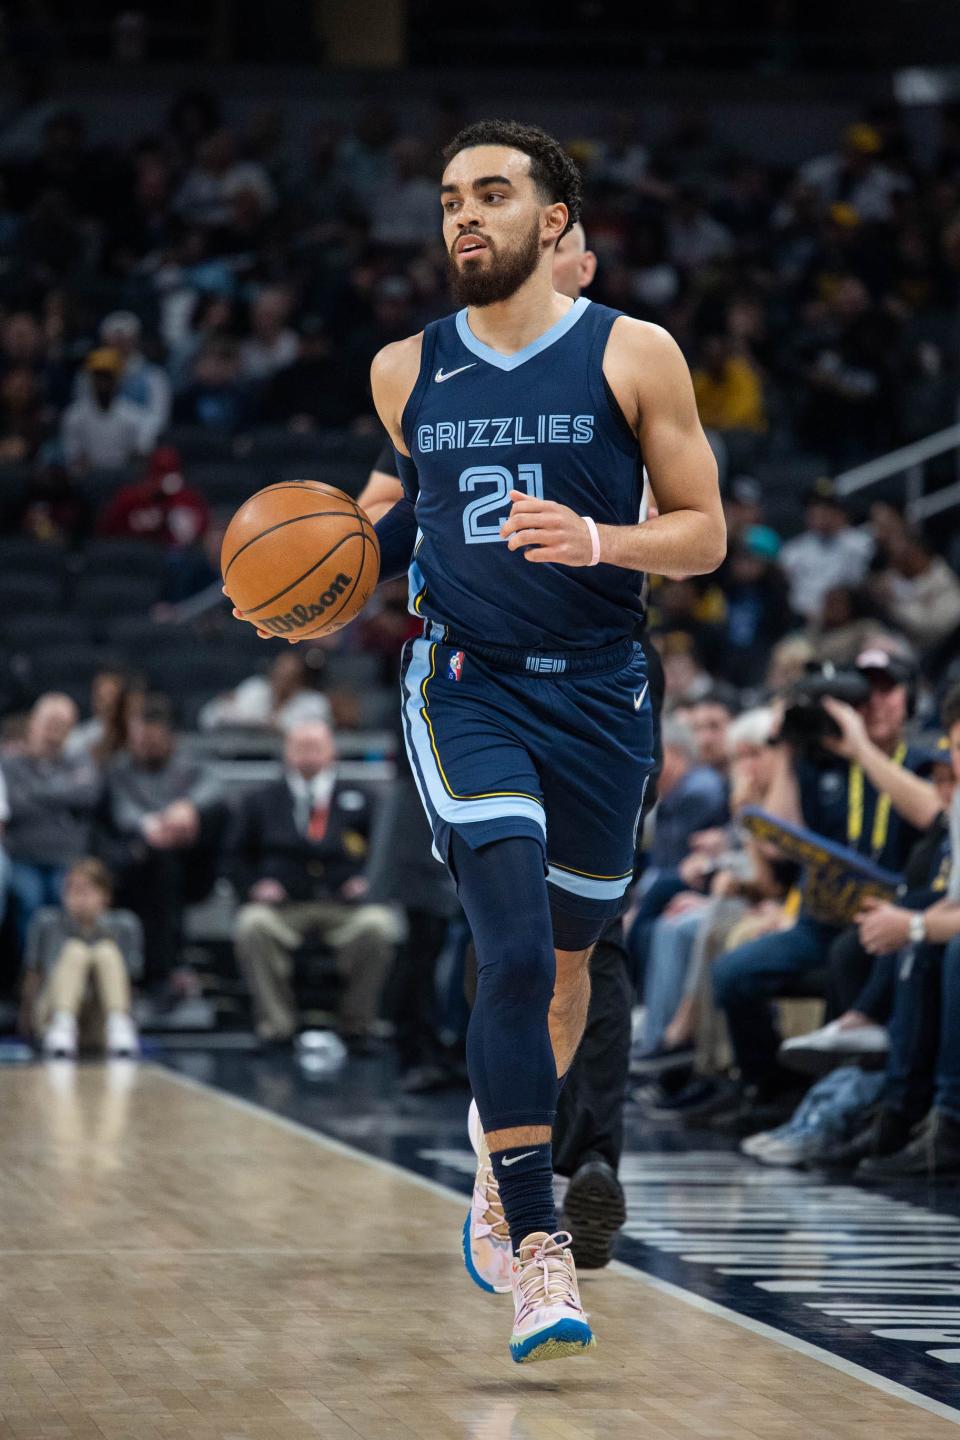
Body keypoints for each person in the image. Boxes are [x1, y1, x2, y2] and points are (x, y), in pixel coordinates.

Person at [243, 120, 724, 1364]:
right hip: (464, 683)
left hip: (605, 694)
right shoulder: (407, 368)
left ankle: (492, 1146)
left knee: (568, 969)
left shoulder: (636, 354)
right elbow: (401, 504)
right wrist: (337, 558)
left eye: (494, 193)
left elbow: (706, 533)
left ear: (554, 220)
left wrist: (603, 540)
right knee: (510, 953)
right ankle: (538, 1237)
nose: (465, 214)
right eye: (451, 196)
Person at [712, 648, 941, 1111]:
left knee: (846, 958)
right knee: (732, 975)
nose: (874, 703)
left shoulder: (923, 759)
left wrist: (862, 749)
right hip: (821, 919)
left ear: (910, 700)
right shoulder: (823, 763)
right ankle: (771, 1088)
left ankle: (843, 1102)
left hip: (890, 914)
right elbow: (778, 841)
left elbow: (932, 810)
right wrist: (787, 750)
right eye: (865, 692)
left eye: (887, 691)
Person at [230, 721, 397, 1047]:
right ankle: (276, 1027)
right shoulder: (260, 801)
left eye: (315, 745)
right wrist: (253, 886)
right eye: (300, 745)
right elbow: (233, 857)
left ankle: (356, 1024)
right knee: (252, 925)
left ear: (332, 751)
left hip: (344, 907)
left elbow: (383, 854)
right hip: (282, 907)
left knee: (379, 927)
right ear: (286, 752)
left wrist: (368, 883)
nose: (308, 752)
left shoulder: (362, 798)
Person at [93, 694, 225, 990]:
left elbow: (215, 787)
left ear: (169, 738)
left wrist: (188, 808)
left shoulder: (190, 764)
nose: (145, 746)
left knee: (211, 818)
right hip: (134, 862)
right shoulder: (119, 768)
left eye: (153, 740)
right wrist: (152, 824)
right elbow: (122, 811)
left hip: (190, 862)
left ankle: (166, 970)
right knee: (156, 861)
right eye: (140, 740)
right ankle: (161, 971)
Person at [3, 693, 100, 951]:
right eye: (49, 724)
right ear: (32, 723)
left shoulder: (81, 761)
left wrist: (34, 793)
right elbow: (14, 803)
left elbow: (88, 795)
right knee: (29, 900)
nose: (54, 733)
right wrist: (60, 799)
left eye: (62, 726)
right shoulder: (10, 764)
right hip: (22, 858)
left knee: (72, 898)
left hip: (68, 859)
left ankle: (65, 971)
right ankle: (34, 972)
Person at [22, 858, 142, 1060]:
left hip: (99, 1018)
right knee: (75, 950)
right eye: (72, 889)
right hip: (52, 1015)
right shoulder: (46, 921)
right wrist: (27, 1022)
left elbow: (129, 981)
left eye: (87, 890)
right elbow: (34, 974)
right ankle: (62, 1022)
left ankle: (119, 1023)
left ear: (105, 895)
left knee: (105, 951)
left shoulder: (124, 925)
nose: (79, 897)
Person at [60, 348, 150, 472]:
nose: (102, 382)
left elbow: (140, 454)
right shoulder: (74, 415)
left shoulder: (134, 415)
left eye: (107, 376)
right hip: (88, 478)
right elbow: (73, 457)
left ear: (117, 379)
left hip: (123, 478)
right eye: (98, 376)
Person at [199, 651, 331, 733]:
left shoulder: (314, 702)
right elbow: (209, 717)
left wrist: (275, 725)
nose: (283, 680)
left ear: (301, 678)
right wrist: (224, 705)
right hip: (244, 758)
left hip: (295, 762)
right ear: (272, 672)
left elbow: (318, 733)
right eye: (280, 672)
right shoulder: (255, 688)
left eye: (291, 676)